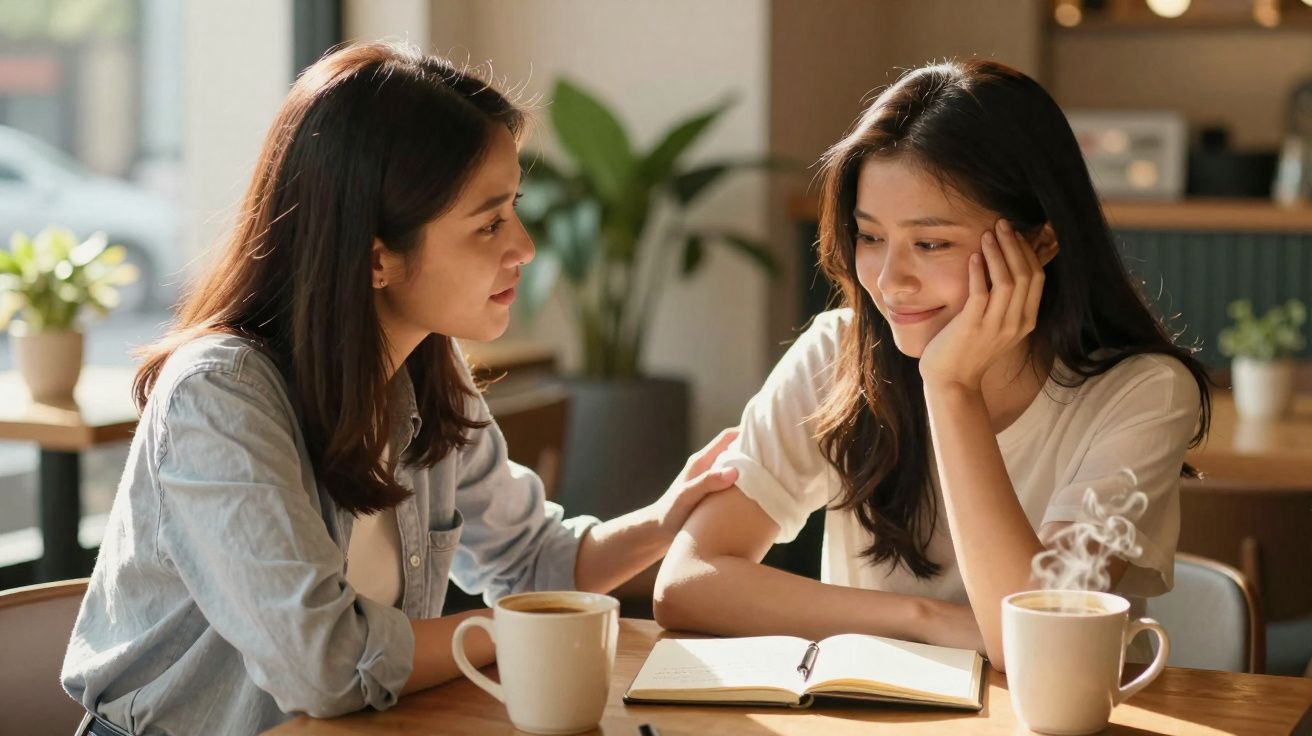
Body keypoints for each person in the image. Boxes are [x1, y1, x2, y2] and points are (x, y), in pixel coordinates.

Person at [61, 41, 738, 735]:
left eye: (515, 209)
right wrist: (503, 632)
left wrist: (668, 516)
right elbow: (323, 666)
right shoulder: (219, 399)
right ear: (376, 256)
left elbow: (535, 564)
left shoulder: (423, 374)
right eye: (490, 222)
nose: (525, 247)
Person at [653, 59, 1211, 671]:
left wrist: (950, 387)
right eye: (869, 237)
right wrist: (925, 619)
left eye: (931, 243)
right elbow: (687, 582)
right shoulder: (839, 351)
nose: (890, 281)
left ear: (1041, 243)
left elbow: (1035, 644)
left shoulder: (1145, 394)